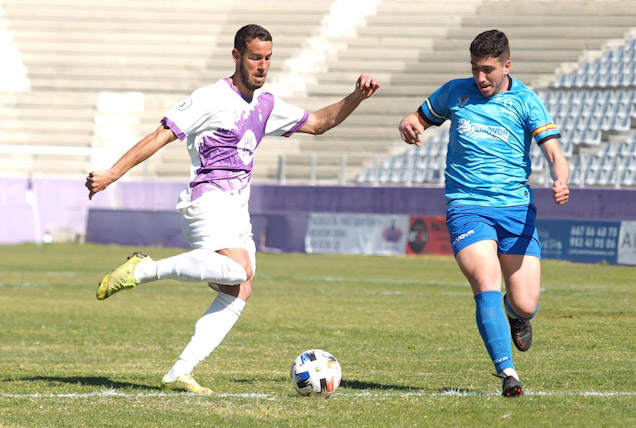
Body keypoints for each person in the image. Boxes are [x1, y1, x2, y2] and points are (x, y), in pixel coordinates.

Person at [86, 24, 380, 394]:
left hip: (237, 210)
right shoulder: (209, 98)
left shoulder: (266, 105)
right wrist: (113, 173)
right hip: (206, 200)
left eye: (268, 58)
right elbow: (159, 135)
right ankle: (144, 269)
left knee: (239, 289)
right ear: (237, 56)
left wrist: (356, 96)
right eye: (255, 57)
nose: (262, 65)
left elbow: (320, 123)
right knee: (240, 269)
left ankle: (179, 372)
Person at [398, 30, 569, 397]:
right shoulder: (455, 92)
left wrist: (561, 180)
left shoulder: (526, 101)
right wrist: (408, 122)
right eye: (475, 69)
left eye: (488, 70)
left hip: (515, 210)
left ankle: (515, 316)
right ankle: (508, 373)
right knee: (485, 280)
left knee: (526, 302)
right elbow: (420, 118)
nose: (480, 78)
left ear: (507, 66)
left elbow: (554, 152)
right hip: (467, 206)